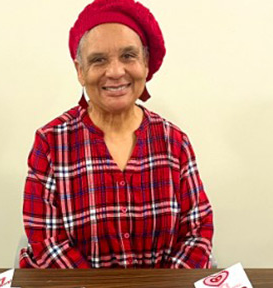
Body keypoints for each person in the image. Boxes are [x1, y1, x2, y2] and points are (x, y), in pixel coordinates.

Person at [19, 0, 213, 269]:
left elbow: (197, 232)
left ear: (145, 63)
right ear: (80, 71)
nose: (115, 71)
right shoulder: (51, 142)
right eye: (98, 60)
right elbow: (46, 240)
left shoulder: (174, 141)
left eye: (128, 56)